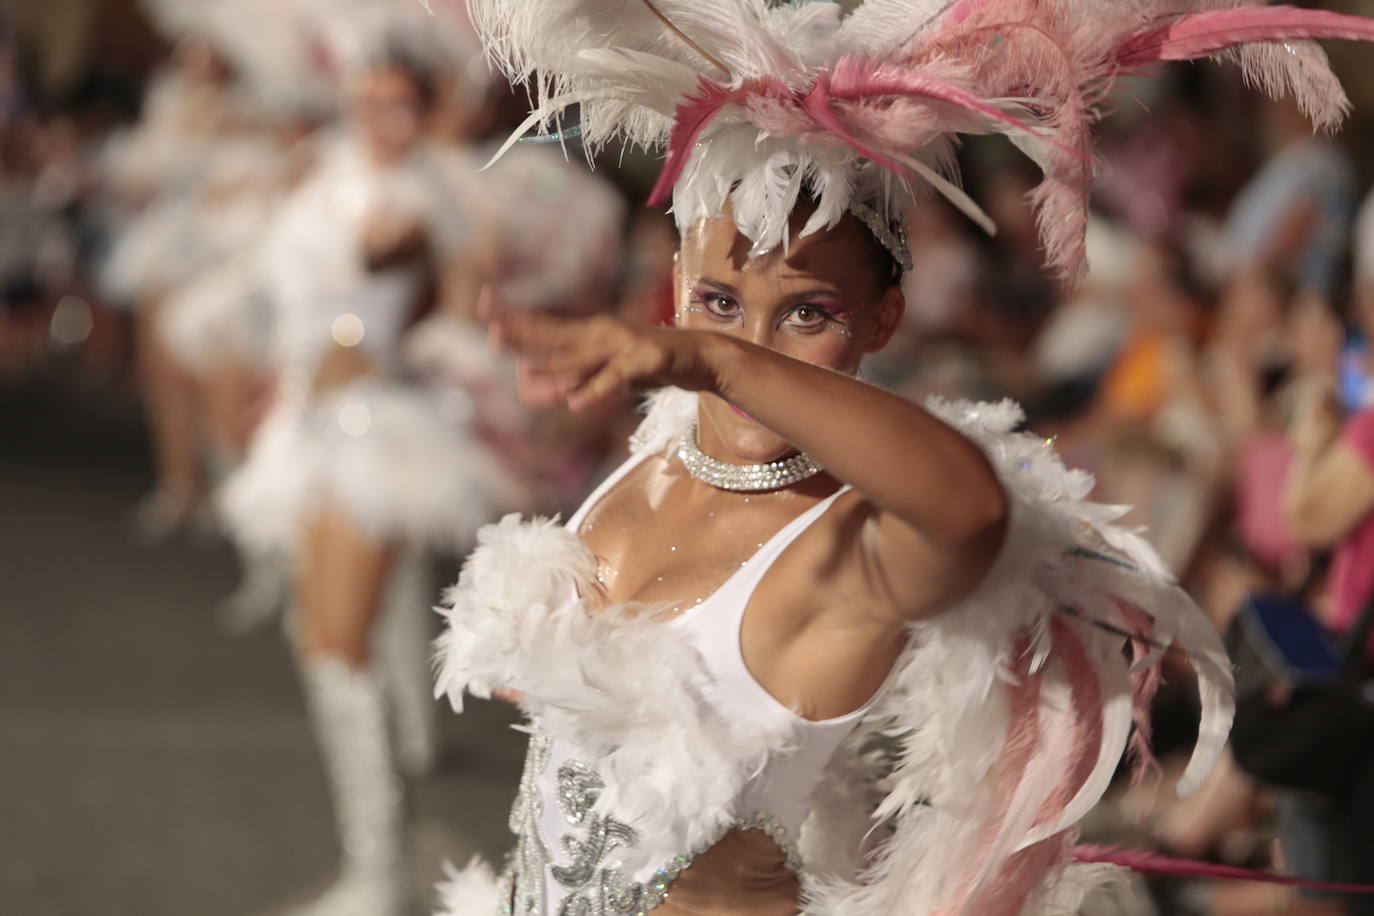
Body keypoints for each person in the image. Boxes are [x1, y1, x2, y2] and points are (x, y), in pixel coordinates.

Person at [431, 2, 1374, 913]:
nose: (754, 349)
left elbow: (971, 512)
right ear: (677, 284)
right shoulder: (654, 453)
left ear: (883, 320)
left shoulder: (851, 537)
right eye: (719, 303)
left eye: (808, 313)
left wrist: (715, 358)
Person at [220, 48, 513, 916]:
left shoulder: (427, 198)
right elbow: (292, 300)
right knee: (322, 644)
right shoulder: (327, 174)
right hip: (310, 426)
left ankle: (381, 873)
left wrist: (390, 264)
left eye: (401, 105)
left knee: (343, 648)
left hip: (374, 434)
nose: (383, 120)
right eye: (368, 101)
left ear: (427, 111)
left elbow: (406, 271)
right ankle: (372, 865)